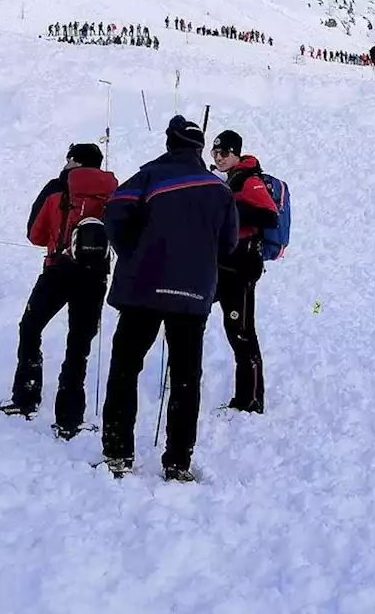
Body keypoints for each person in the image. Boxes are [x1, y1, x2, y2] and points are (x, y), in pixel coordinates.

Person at [99, 116, 238, 481]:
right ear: (198, 148)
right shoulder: (220, 190)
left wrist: (132, 251)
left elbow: (114, 213)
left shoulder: (148, 177)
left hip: (142, 289)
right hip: (192, 295)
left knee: (126, 369)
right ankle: (178, 461)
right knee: (186, 377)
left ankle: (117, 454)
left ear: (169, 143)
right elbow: (228, 244)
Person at [0, 144, 119, 435]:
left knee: (30, 326)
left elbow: (35, 234)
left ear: (73, 161)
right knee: (79, 344)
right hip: (95, 276)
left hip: (58, 269)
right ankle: (69, 417)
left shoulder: (57, 189)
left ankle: (26, 396)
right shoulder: (112, 191)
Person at [210, 130, 278, 414]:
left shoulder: (250, 180)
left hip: (241, 269)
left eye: (224, 152)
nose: (218, 157)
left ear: (237, 153)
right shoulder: (227, 180)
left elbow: (269, 216)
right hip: (222, 265)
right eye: (215, 152)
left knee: (241, 332)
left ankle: (250, 399)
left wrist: (232, 206)